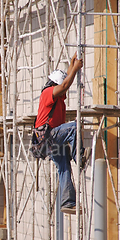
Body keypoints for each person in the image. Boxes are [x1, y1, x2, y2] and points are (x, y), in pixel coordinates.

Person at [34, 53, 90, 215]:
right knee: (74, 127)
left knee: (64, 167)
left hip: (47, 141)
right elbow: (65, 85)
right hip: (45, 137)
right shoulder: (48, 92)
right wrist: (76, 69)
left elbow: (65, 82)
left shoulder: (57, 100)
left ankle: (68, 202)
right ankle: (79, 157)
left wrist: (72, 66)